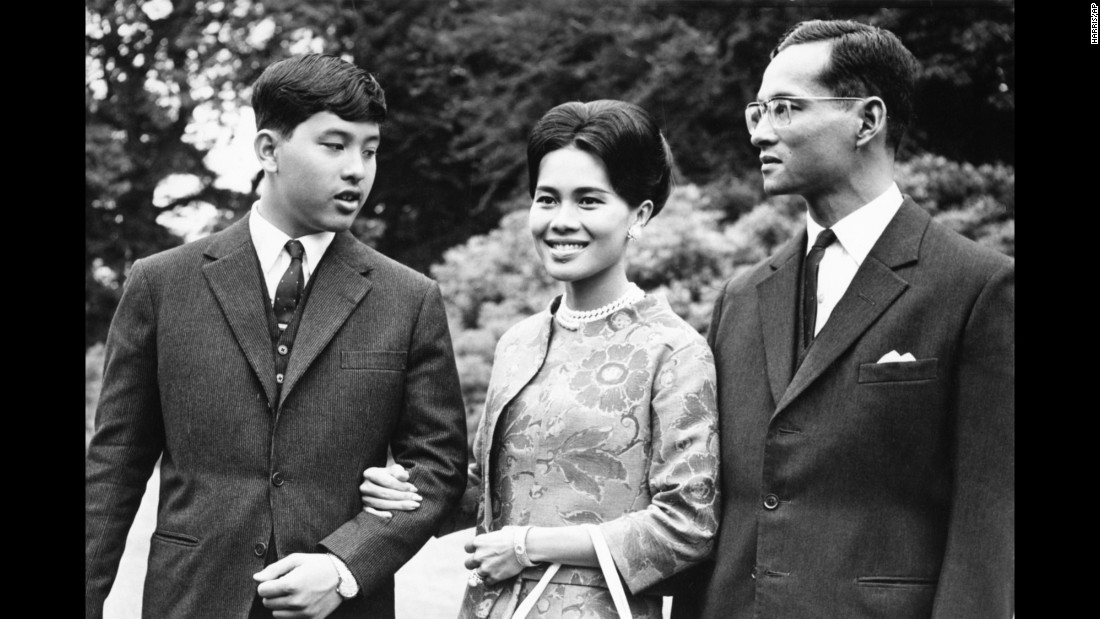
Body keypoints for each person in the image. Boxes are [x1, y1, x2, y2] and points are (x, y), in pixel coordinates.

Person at [85, 53, 469, 619]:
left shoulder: (408, 298)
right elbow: (115, 461)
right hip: (192, 598)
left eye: (370, 150)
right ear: (268, 150)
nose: (357, 170)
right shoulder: (162, 283)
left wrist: (344, 567)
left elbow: (438, 465)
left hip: (339, 608)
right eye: (334, 145)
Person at [671, 19, 1014, 619]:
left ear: (867, 119)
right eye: (758, 111)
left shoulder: (979, 287)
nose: (761, 133)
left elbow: (989, 518)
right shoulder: (740, 297)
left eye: (784, 109)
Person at [360, 100, 721, 618]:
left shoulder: (674, 350)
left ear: (639, 215)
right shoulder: (519, 341)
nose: (561, 221)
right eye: (547, 199)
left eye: (589, 201)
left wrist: (529, 545)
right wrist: (412, 493)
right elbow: (486, 491)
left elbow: (687, 524)